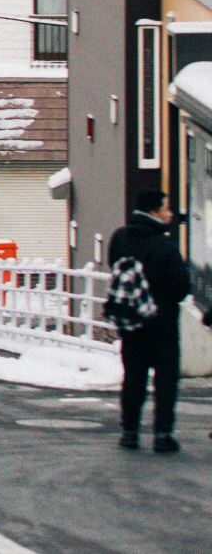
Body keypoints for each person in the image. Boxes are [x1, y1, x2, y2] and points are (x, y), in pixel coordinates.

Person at [110, 188, 191, 453]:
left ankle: (129, 432)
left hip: (131, 323)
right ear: (153, 211)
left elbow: (115, 267)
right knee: (165, 380)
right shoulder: (165, 245)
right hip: (162, 325)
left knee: (133, 378)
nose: (170, 213)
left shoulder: (120, 237)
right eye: (166, 208)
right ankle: (162, 435)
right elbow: (180, 288)